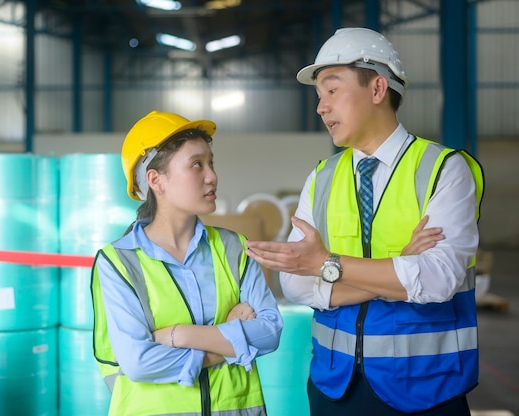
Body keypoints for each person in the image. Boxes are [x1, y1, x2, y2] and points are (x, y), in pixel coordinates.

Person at [245, 27, 484, 415]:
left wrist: (327, 266)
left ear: (377, 89)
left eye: (332, 90)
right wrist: (396, 271)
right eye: (319, 95)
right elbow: (295, 284)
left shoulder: (443, 170)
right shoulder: (322, 177)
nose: (321, 107)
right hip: (333, 387)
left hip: (425, 388)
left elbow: (439, 279)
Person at [90, 110, 283, 416]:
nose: (212, 176)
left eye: (211, 163)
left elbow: (270, 332)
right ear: (156, 180)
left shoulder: (233, 247)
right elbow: (138, 362)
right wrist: (228, 337)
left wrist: (178, 335)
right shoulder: (118, 263)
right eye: (196, 164)